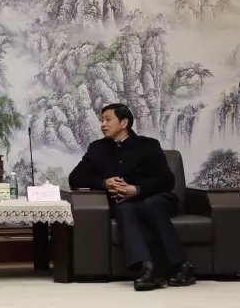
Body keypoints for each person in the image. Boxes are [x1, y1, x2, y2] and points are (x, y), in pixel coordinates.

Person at [68, 103, 195, 291]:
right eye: (102, 120)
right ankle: (147, 269)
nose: (103, 124)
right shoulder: (97, 148)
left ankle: (183, 267)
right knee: (124, 209)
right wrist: (104, 183)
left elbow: (167, 180)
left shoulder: (148, 145)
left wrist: (136, 189)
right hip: (124, 202)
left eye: (108, 119)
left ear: (124, 123)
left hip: (155, 197)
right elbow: (75, 178)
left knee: (150, 206)